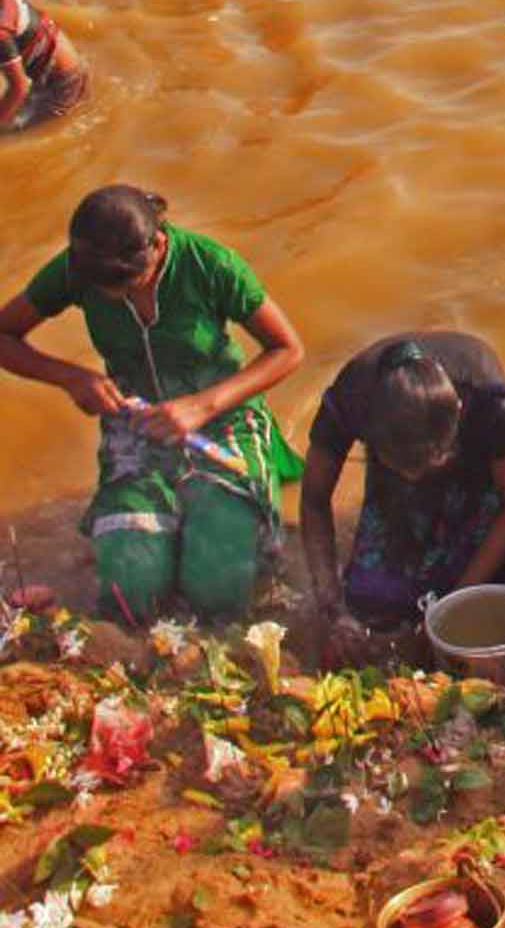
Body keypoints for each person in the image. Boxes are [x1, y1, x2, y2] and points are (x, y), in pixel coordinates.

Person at [0, 185, 305, 624]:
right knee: (131, 591)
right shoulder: (75, 270)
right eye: (104, 292)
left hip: (223, 418)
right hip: (136, 423)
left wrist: (201, 406)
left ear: (159, 245)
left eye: (128, 285)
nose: (118, 298)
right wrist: (73, 378)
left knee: (218, 592)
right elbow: (5, 335)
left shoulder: (210, 264)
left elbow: (288, 350)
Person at [301, 333, 505, 650]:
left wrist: (452, 608)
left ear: (459, 411)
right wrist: (332, 605)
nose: (415, 478)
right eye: (404, 468)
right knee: (371, 598)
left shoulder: (493, 405)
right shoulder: (351, 400)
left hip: (475, 472)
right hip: (396, 476)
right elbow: (315, 499)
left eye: (424, 468)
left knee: (502, 590)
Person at [0, 0, 88, 130]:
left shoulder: (1, 33)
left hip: (62, 84)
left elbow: (20, 87)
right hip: (54, 61)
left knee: (12, 135)